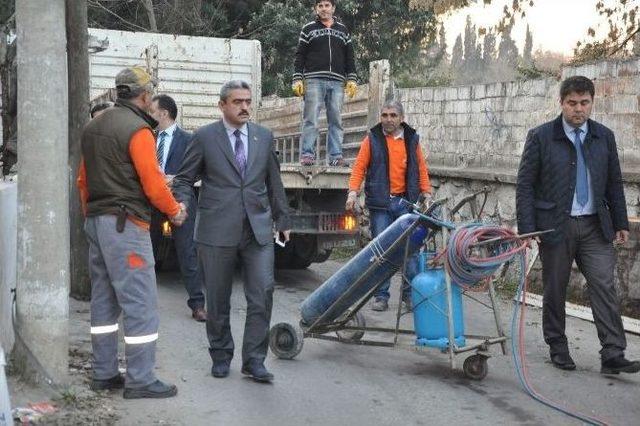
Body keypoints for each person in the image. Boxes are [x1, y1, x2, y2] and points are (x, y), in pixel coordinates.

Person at [516, 75, 639, 374]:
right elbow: (525, 185)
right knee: (555, 288)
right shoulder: (541, 136)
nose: (578, 109)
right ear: (561, 103)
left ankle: (612, 352)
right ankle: (558, 346)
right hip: (555, 227)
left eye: (584, 103)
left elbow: (613, 182)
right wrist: (528, 228)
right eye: (572, 103)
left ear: (592, 103)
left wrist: (621, 221)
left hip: (596, 226)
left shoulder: (603, 136)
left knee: (604, 285)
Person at [77, 66, 187, 398]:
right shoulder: (138, 130)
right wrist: (175, 211)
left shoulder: (93, 126)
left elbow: (83, 180)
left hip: (96, 221)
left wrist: (92, 216)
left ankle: (104, 373)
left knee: (104, 300)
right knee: (140, 301)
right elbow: (153, 185)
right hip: (126, 225)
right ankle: (140, 379)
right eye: (150, 94)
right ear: (144, 96)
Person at [172, 80, 291, 383]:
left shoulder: (263, 137)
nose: (245, 107)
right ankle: (221, 354)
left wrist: (283, 219)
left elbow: (273, 181)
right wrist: (184, 204)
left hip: (258, 229)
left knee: (263, 292)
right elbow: (184, 179)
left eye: (248, 101)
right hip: (216, 229)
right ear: (222, 105)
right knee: (218, 296)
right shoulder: (204, 138)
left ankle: (253, 360)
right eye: (237, 101)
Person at [346, 100, 432, 312]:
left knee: (409, 252)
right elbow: (359, 167)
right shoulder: (372, 139)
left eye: (393, 115)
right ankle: (381, 296)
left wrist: (427, 193)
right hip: (381, 205)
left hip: (406, 204)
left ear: (401, 118)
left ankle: (409, 295)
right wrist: (352, 192)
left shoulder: (411, 139)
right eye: (384, 115)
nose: (388, 119)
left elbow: (421, 168)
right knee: (381, 252)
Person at [149, 94, 207, 322]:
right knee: (146, 252)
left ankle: (198, 304)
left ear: (163, 113)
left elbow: (201, 169)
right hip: (151, 201)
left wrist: (178, 178)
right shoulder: (148, 138)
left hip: (179, 199)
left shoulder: (189, 139)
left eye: (152, 111)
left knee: (187, 252)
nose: (149, 115)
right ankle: (142, 304)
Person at [292, 0, 357, 167]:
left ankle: (336, 156)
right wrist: (298, 78)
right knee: (311, 118)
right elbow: (300, 55)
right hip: (314, 79)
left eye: (327, 5)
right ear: (316, 8)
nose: (323, 9)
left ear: (333, 8)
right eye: (320, 5)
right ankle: (307, 154)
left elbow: (349, 56)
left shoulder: (343, 30)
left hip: (337, 81)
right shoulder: (308, 29)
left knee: (335, 120)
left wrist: (352, 78)